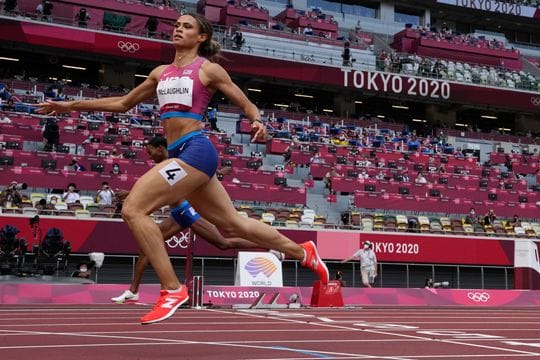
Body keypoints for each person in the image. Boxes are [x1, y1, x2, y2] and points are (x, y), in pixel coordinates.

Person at [36, 13, 328, 325]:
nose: (178, 28)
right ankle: (302, 252)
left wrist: (256, 120)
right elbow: (123, 103)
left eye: (186, 26)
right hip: (181, 154)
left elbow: (245, 102)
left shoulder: (208, 69)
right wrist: (71, 106)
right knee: (233, 226)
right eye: (176, 24)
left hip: (196, 150)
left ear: (201, 37)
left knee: (134, 209)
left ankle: (172, 289)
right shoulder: (160, 73)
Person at [111, 136, 283, 303]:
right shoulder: (164, 166)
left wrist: (219, 174)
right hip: (177, 214)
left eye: (150, 152)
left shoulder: (175, 162)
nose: (149, 156)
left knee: (223, 243)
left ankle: (271, 246)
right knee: (147, 247)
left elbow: (194, 178)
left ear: (160, 149)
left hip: (188, 210)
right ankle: (132, 291)